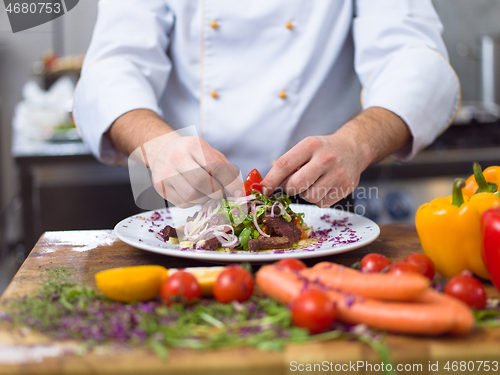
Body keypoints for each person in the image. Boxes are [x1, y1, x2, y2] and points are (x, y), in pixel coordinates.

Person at [73, 0, 460, 209]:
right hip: (185, 204)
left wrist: (356, 144)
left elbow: (415, 59)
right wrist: (158, 146)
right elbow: (115, 65)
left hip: (321, 204)